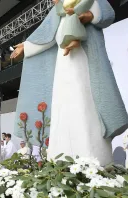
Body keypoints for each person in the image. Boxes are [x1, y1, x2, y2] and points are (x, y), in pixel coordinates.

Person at [11, 0, 128, 165]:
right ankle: (61, 153)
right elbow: (46, 37)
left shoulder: (90, 1)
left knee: (86, 104)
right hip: (63, 67)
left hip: (86, 63)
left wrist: (91, 16)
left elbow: (107, 14)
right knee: (62, 107)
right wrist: (26, 46)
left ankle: (93, 156)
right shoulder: (58, 11)